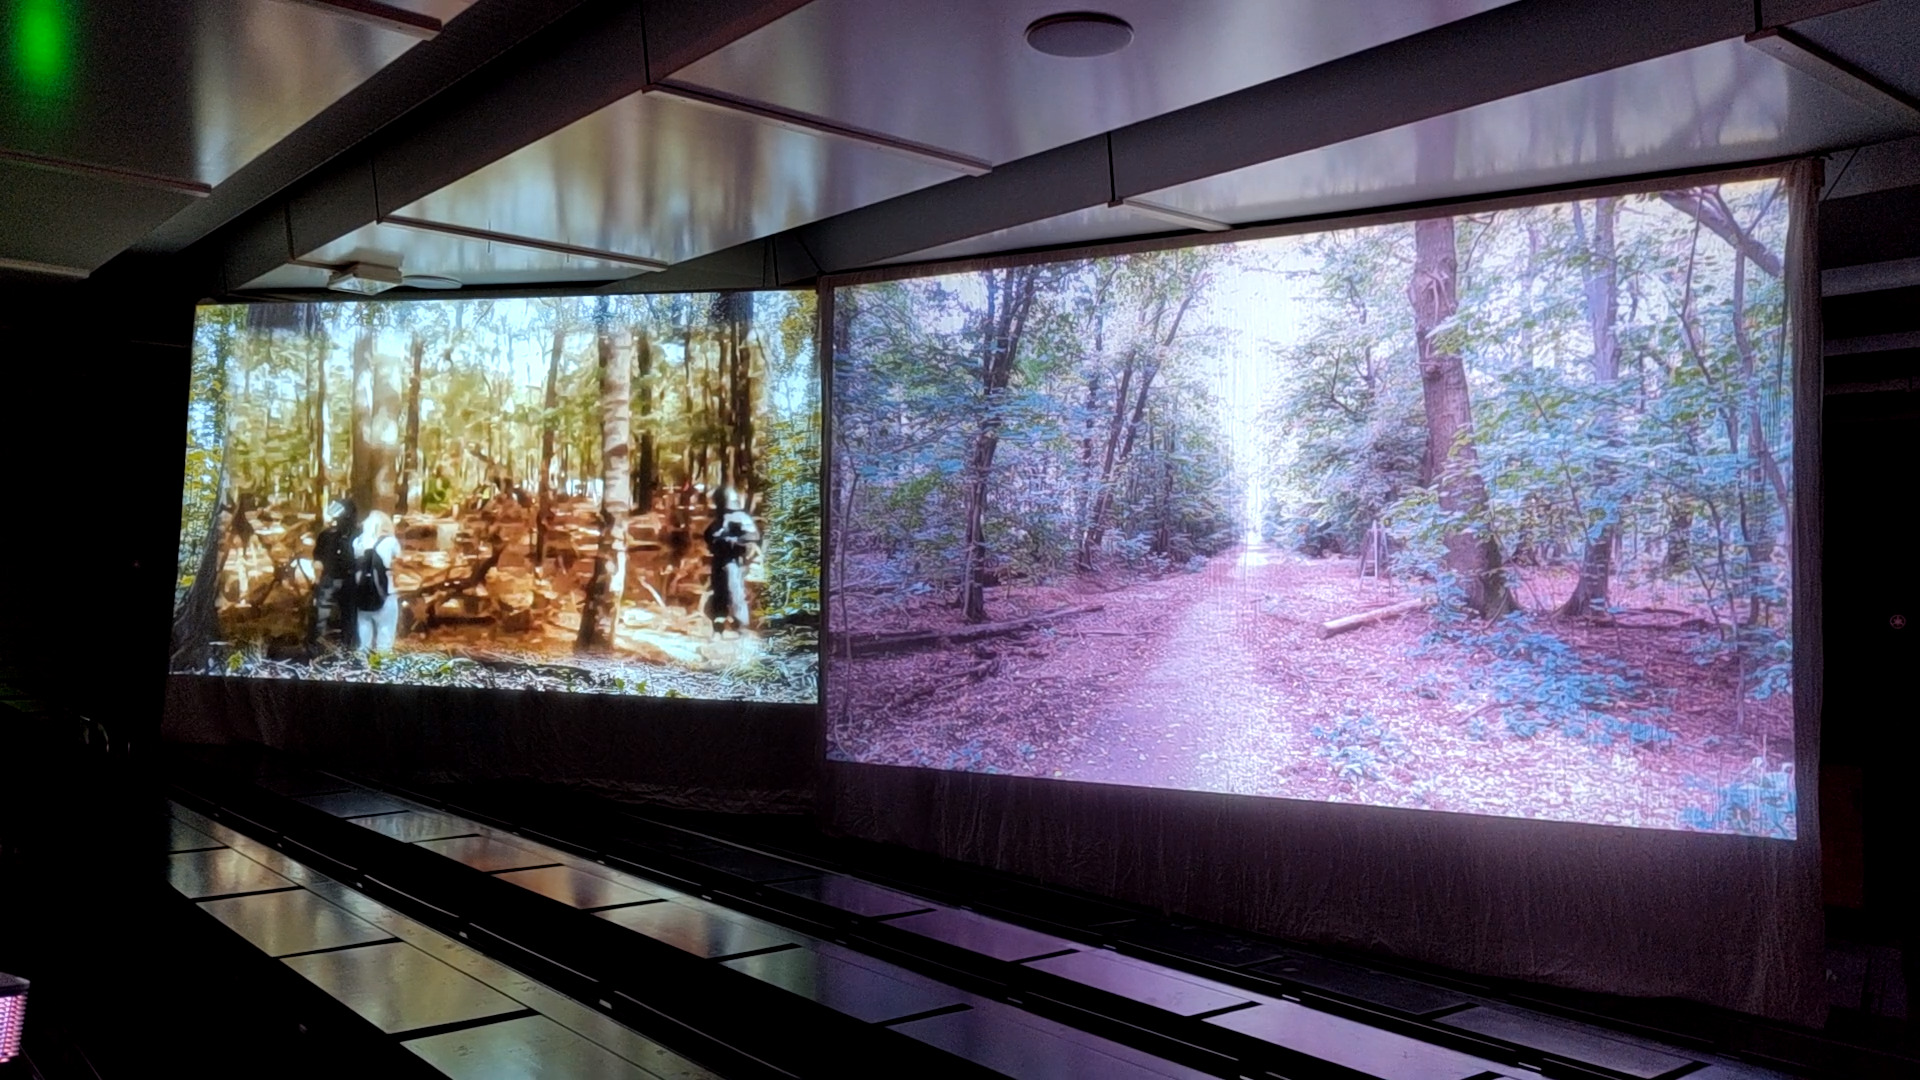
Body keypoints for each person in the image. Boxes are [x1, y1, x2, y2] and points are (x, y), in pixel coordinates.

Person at [703, 488, 760, 637]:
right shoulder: (719, 517)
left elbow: (752, 535)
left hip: (733, 561)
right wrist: (715, 540)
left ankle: (740, 626)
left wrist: (733, 540)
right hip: (718, 560)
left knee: (734, 593)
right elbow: (708, 534)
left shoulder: (740, 517)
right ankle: (718, 628)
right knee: (718, 594)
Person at [309, 497, 358, 651]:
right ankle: (320, 644)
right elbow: (318, 559)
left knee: (348, 615)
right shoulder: (327, 535)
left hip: (347, 580)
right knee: (327, 614)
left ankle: (345, 645)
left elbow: (317, 559)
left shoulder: (357, 535)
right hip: (334, 578)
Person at [351, 509, 402, 654]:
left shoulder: (358, 542)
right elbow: (399, 565)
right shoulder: (391, 542)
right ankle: (382, 668)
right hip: (386, 593)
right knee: (385, 634)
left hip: (362, 594)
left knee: (364, 636)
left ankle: (363, 668)